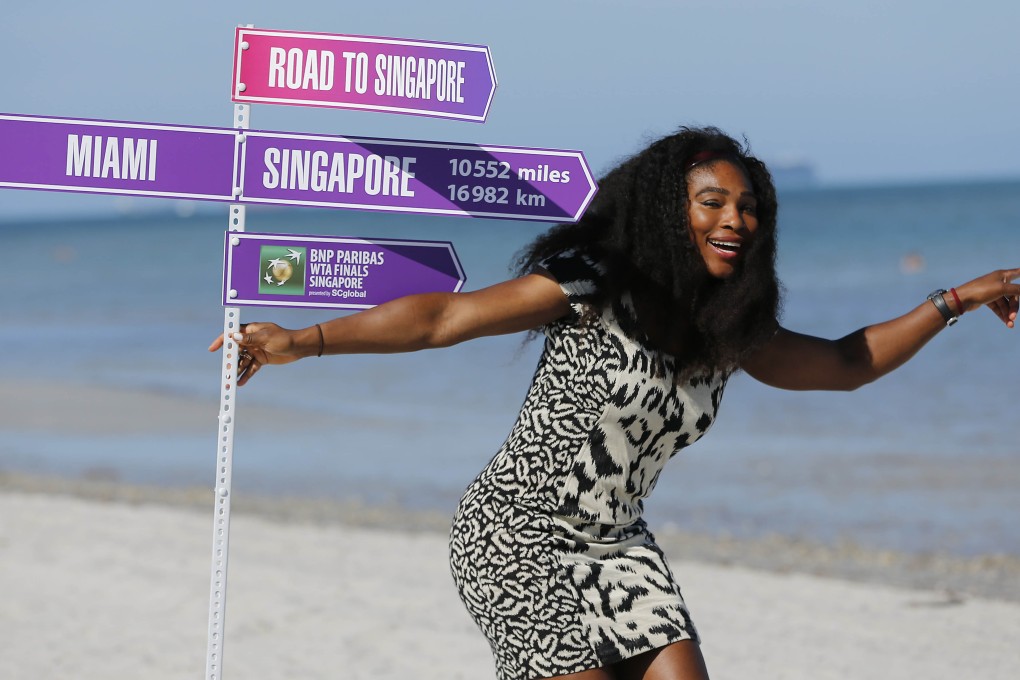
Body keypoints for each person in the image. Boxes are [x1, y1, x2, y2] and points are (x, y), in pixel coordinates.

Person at [210, 126, 1019, 680]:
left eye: (747, 208)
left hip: (617, 545)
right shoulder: (594, 289)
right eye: (713, 202)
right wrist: (302, 341)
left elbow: (846, 362)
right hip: (514, 531)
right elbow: (442, 318)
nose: (734, 219)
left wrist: (953, 301)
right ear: (673, 210)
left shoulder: (725, 329)